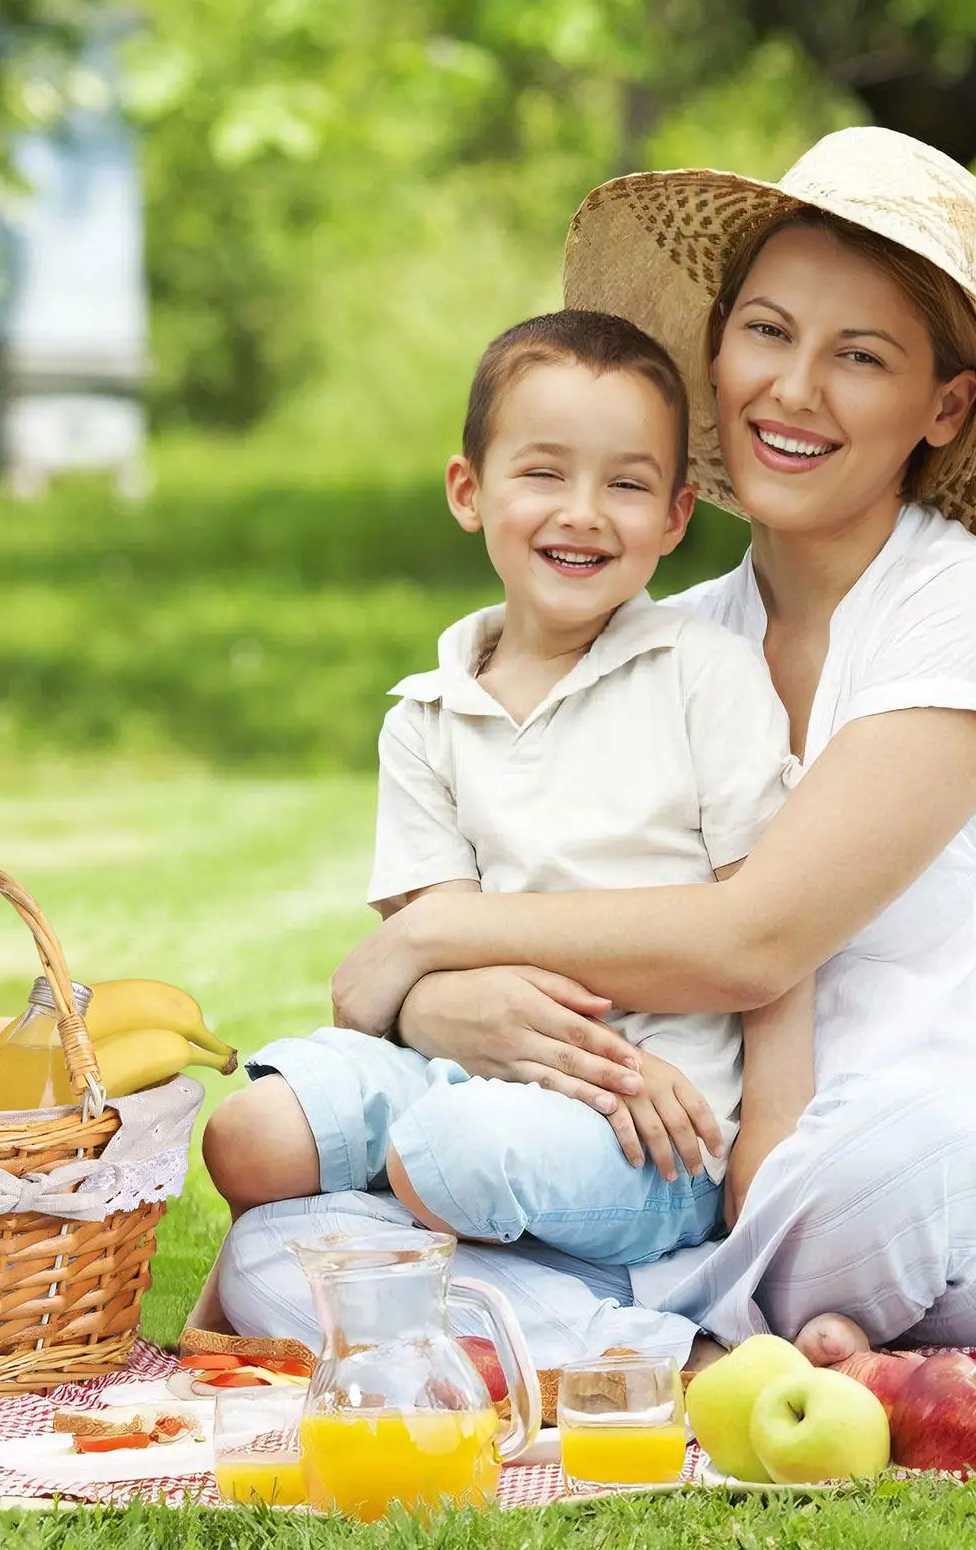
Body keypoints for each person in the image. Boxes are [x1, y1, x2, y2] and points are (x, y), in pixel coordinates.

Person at [206, 126, 976, 1371]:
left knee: (930, 1151)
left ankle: (618, 1327)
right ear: (715, 352)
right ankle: (690, 1346)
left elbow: (757, 936)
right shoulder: (667, 640)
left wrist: (431, 939)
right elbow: (520, 915)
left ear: (945, 405)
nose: (793, 390)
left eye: (858, 356)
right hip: (661, 1159)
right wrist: (449, 1000)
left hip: (867, 1176)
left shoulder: (973, 607)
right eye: (766, 332)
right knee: (279, 1251)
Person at [203, 309, 813, 1271]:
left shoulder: (707, 673)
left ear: (674, 517)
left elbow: (772, 941)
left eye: (627, 482)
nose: (583, 510)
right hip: (464, 1064)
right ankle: (441, 1273)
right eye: (543, 472)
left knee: (446, 1152)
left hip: (649, 1122)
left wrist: (763, 1170)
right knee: (252, 1133)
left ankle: (442, 1269)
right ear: (468, 489)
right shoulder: (426, 717)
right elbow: (438, 956)